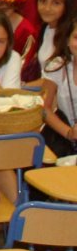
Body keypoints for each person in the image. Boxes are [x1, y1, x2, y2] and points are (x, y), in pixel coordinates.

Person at [41, 18, 77, 156]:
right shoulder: (57, 66)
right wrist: (68, 132)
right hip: (66, 139)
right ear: (67, 41)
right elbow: (43, 108)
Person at [36, 0, 76, 71]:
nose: (47, 8)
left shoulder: (72, 35)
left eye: (56, 3)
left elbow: (54, 80)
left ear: (67, 5)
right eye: (43, 1)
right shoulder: (45, 28)